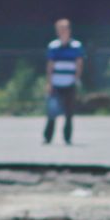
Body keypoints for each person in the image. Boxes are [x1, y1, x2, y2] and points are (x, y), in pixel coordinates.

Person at [43, 18, 84, 146]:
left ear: (69, 30)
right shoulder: (53, 46)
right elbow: (50, 66)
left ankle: (67, 137)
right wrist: (49, 82)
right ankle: (48, 137)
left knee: (69, 112)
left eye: (64, 29)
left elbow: (79, 64)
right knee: (52, 111)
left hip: (69, 82)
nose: (62, 32)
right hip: (56, 83)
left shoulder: (76, 46)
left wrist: (76, 79)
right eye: (60, 30)